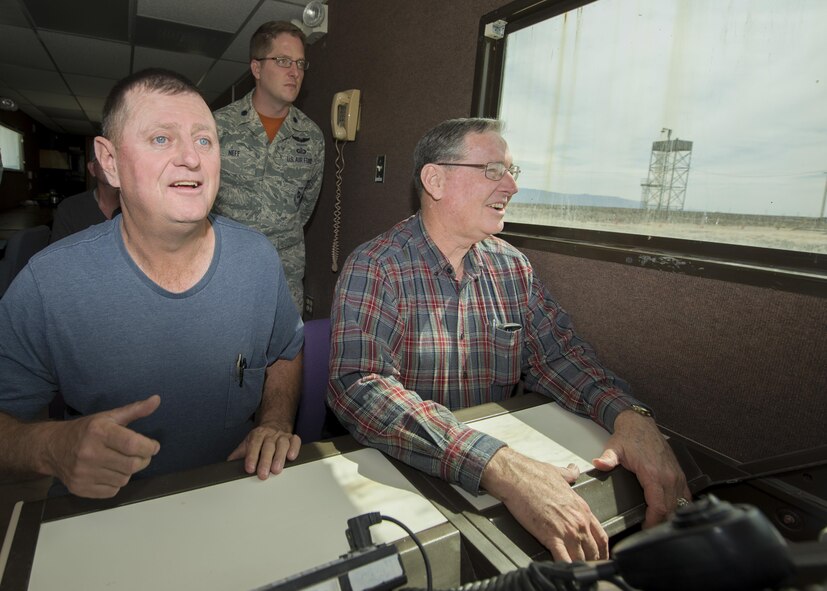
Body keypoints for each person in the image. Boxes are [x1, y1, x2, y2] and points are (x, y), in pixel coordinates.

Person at [328, 118, 690, 563]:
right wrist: (498, 465)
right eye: (494, 170)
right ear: (435, 179)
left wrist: (629, 415)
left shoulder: (512, 267)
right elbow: (357, 387)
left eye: (514, 172)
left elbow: (559, 355)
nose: (512, 187)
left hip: (490, 472)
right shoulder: (374, 266)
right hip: (407, 476)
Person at [0, 68, 303, 499]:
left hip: (234, 496)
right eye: (162, 139)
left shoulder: (258, 259)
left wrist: (274, 422)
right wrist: (51, 447)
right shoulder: (47, 284)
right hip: (108, 517)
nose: (192, 158)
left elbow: (286, 352)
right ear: (109, 162)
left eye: (204, 140)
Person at [213, 20, 324, 311]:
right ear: (257, 68)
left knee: (285, 354)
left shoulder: (311, 137)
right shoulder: (217, 127)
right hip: (224, 270)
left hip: (283, 276)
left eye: (300, 63)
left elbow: (304, 208)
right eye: (284, 61)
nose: (295, 72)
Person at [49, 156, 121, 243]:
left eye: (116, 156)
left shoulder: (136, 208)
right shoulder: (69, 209)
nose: (111, 163)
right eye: (105, 157)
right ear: (92, 168)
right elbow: (57, 254)